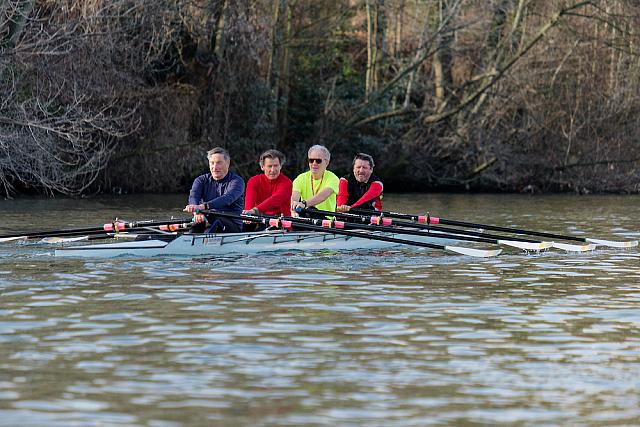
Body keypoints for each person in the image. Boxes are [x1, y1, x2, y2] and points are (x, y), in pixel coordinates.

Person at [184, 147, 245, 233]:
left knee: (213, 219)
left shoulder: (237, 182)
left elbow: (227, 198)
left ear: (227, 163)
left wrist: (203, 207)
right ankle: (188, 240)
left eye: (219, 163)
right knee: (200, 221)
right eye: (212, 163)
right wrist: (196, 211)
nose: (215, 167)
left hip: (232, 224)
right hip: (206, 218)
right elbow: (194, 196)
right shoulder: (200, 180)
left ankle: (202, 240)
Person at [243, 149, 292, 230]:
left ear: (280, 166)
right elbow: (249, 204)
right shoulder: (253, 181)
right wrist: (248, 214)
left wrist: (254, 211)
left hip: (280, 223)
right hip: (260, 221)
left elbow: (274, 200)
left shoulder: (287, 183)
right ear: (262, 167)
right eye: (269, 166)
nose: (273, 170)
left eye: (276, 166)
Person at [290, 145, 340, 216]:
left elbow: (323, 196)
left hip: (326, 221)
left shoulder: (333, 178)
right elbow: (295, 197)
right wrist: (294, 210)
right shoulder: (300, 178)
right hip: (306, 217)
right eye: (311, 160)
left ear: (326, 163)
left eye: (318, 161)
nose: (314, 163)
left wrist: (304, 203)